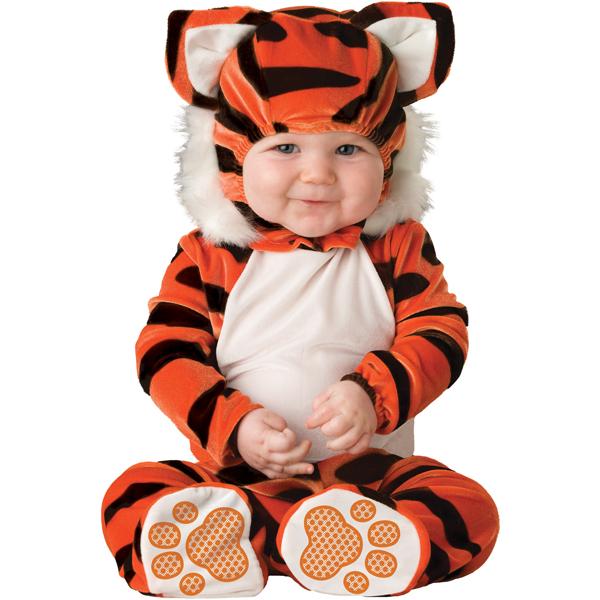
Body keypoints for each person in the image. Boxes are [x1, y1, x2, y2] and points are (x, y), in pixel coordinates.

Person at [101, 3, 500, 597]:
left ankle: (293, 541)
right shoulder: (209, 255)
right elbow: (166, 353)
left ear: (390, 157)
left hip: (371, 480)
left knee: (470, 507)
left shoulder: (397, 247)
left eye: (348, 150)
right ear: (232, 154)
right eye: (285, 148)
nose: (318, 175)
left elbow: (440, 332)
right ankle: (256, 533)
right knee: (133, 492)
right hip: (232, 476)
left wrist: (373, 394)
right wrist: (234, 425)